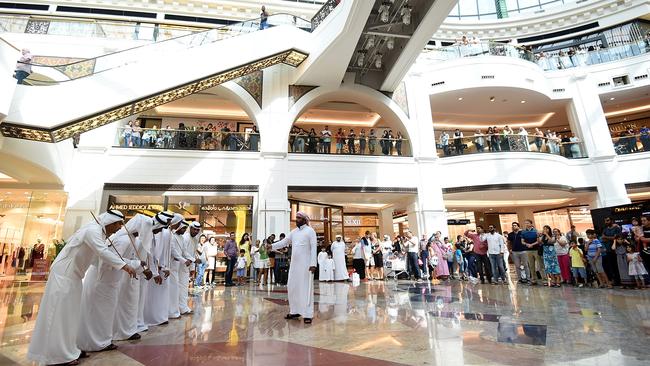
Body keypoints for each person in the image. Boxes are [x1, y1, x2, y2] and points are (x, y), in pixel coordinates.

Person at [27, 210, 136, 366]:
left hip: (74, 277)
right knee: (60, 315)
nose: (119, 228)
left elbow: (96, 257)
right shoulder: (93, 230)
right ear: (110, 222)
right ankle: (57, 356)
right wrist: (125, 266)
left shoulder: (98, 231)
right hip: (64, 275)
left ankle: (70, 349)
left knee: (71, 316)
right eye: (119, 224)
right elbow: (102, 251)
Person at [268, 211, 317, 324]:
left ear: (305, 220)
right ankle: (294, 311)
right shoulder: (294, 232)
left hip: (306, 266)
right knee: (293, 287)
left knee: (306, 289)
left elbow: (314, 248)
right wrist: (272, 246)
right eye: (296, 218)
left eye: (299, 218)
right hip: (294, 265)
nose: (297, 220)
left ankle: (307, 314)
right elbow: (284, 242)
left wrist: (313, 264)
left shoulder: (310, 231)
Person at [180, 221, 201, 313]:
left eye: (197, 230)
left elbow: (192, 253)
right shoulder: (185, 238)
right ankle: (181, 308)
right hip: (181, 265)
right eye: (194, 229)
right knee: (181, 287)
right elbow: (183, 252)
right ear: (191, 228)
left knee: (184, 287)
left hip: (187, 266)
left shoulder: (195, 239)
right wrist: (193, 260)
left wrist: (192, 269)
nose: (196, 231)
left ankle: (183, 307)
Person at [600, 217, 621, 285]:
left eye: (608, 220)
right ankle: (615, 280)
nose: (606, 222)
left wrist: (607, 237)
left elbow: (617, 238)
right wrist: (610, 238)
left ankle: (621, 280)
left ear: (611, 220)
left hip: (617, 250)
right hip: (608, 250)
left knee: (618, 265)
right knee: (612, 266)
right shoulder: (605, 229)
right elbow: (603, 239)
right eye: (605, 221)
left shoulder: (616, 228)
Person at [522, 219, 543, 285]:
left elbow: (539, 241)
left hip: (536, 250)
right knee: (531, 266)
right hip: (528, 250)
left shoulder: (536, 231)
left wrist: (532, 244)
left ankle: (544, 280)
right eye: (525, 223)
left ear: (531, 224)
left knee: (540, 265)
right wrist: (526, 244)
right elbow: (522, 241)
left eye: (528, 223)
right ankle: (534, 280)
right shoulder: (523, 232)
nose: (526, 224)